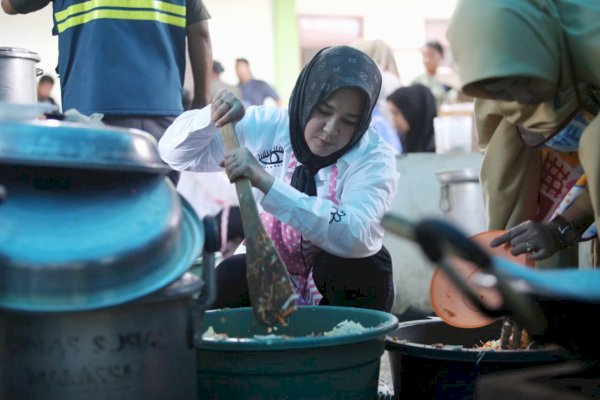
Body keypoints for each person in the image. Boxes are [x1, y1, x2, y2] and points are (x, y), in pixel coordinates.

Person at [159, 46, 399, 311]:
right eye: (323, 110)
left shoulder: (373, 157)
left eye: (349, 120)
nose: (331, 129)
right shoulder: (267, 126)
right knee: (231, 276)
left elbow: (358, 232)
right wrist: (210, 116)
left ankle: (348, 347)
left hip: (336, 285)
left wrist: (267, 184)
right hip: (268, 267)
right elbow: (174, 154)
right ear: (306, 98)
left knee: (362, 265)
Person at [447, 0, 600, 263]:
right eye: (505, 93)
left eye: (525, 80)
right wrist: (551, 232)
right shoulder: (492, 80)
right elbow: (502, 171)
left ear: (542, 43)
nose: (522, 98)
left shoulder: (591, 36)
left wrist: (561, 227)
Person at [1, 0, 212, 142]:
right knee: (159, 202)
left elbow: (9, 4)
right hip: (163, 111)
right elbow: (200, 32)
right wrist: (202, 102)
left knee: (99, 201)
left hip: (91, 110)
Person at [387, 84, 437, 153]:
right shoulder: (405, 139)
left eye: (396, 113)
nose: (393, 119)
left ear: (411, 112)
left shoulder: (437, 146)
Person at [412, 40, 458, 109]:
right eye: (424, 55)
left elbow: (453, 99)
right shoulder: (416, 81)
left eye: (431, 55)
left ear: (441, 56)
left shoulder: (448, 79)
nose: (427, 60)